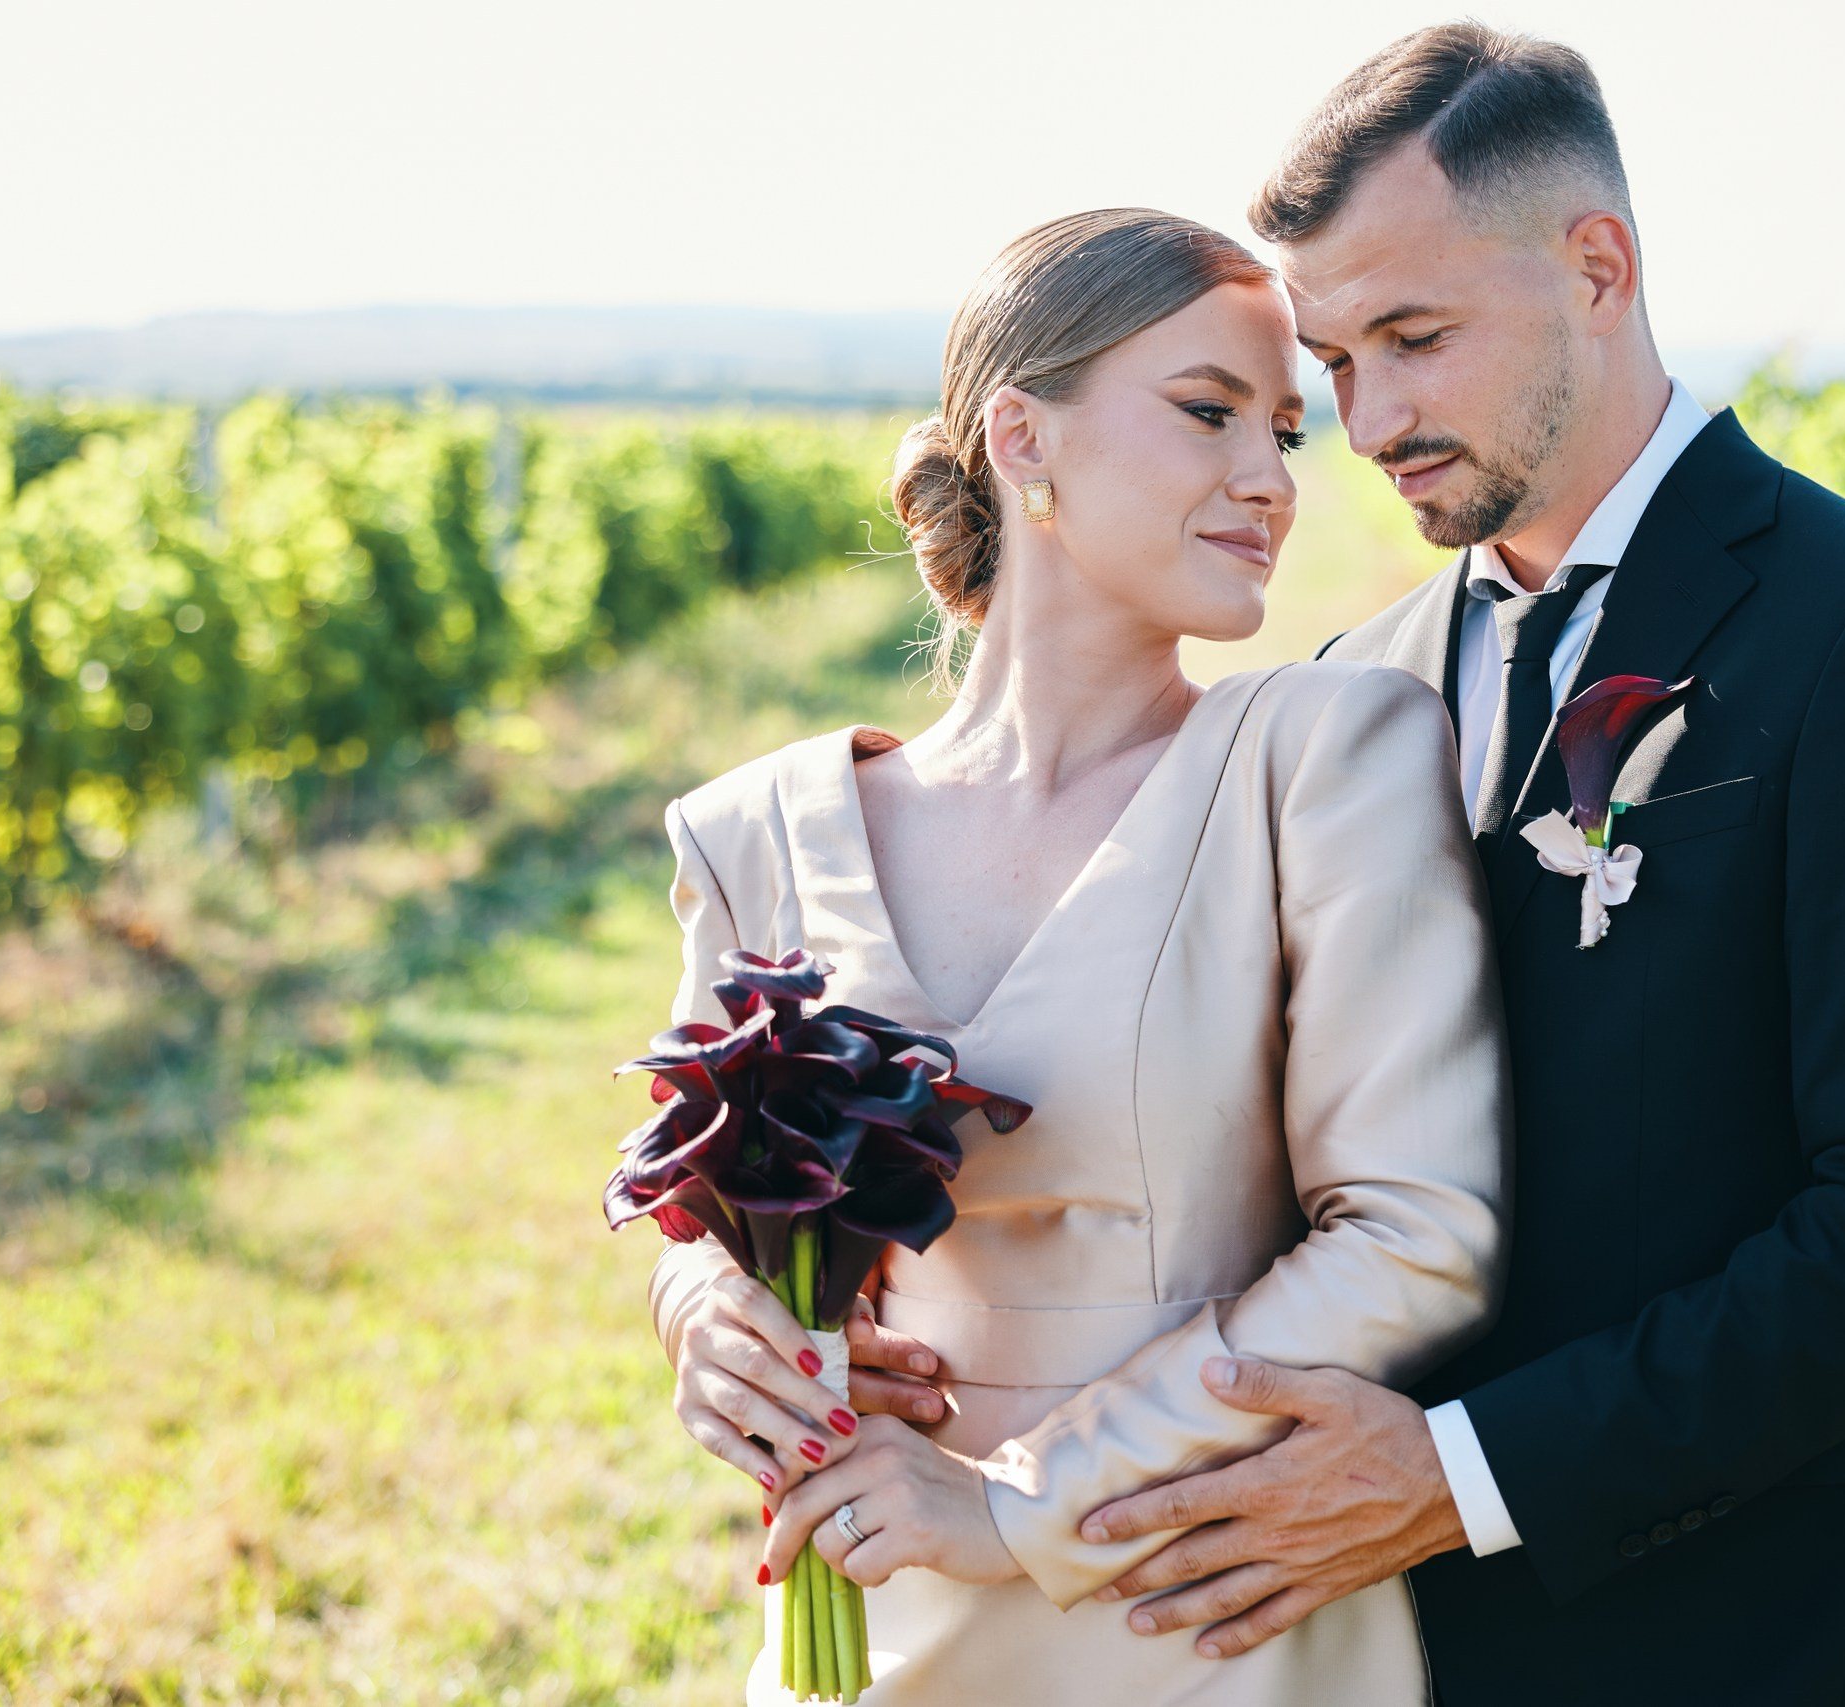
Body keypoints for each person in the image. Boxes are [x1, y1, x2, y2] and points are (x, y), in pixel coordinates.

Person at [1058, 27, 1845, 1706]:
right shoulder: (1350, 681)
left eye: (1415, 337)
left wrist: (1461, 1476)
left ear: (1595, 267)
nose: (1370, 420)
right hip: (1374, 1650)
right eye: (1334, 362)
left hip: (1753, 1631)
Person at [641, 207, 1507, 1704]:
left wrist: (1019, 1503)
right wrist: (712, 1321)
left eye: (1286, 435)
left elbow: (1415, 1237)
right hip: (874, 1606)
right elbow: (700, 1208)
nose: (1270, 481)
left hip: (1205, 1612)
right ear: (1022, 437)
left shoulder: (1322, 760)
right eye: (1208, 413)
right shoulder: (760, 830)